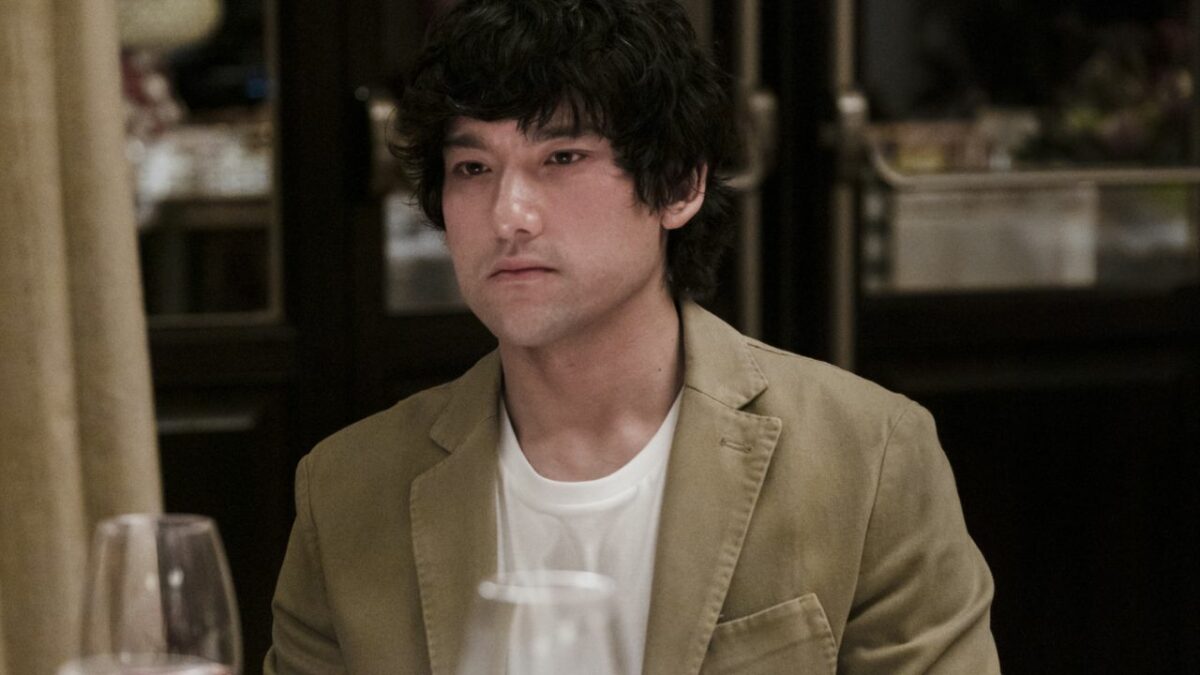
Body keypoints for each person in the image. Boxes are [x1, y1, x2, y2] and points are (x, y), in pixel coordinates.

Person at [264, 0, 1001, 673]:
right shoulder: (346, 491)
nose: (508, 214)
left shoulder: (866, 457)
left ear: (679, 185)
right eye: (473, 167)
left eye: (561, 158)